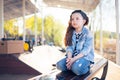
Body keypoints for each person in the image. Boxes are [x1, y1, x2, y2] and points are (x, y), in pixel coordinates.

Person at [56, 10, 94, 76]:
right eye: (72, 19)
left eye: (77, 18)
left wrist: (73, 59)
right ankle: (72, 66)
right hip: (72, 57)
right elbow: (69, 47)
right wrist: (69, 59)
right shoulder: (71, 32)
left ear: (84, 21)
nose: (74, 21)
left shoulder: (88, 33)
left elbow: (86, 50)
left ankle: (86, 66)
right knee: (59, 65)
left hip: (85, 58)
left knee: (77, 69)